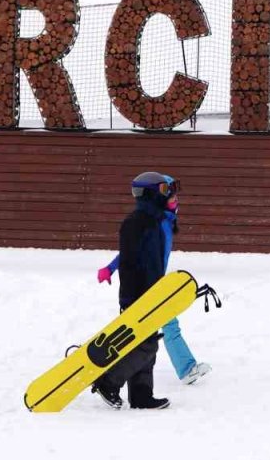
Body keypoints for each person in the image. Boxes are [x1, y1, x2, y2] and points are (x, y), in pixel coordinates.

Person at [97, 178, 211, 388]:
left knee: (164, 327)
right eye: (172, 197)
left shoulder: (164, 220)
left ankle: (182, 369)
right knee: (158, 330)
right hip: (148, 287)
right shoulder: (154, 222)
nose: (176, 201)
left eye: (177, 197)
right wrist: (111, 268)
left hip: (157, 284)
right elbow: (131, 251)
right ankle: (184, 369)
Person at [91, 172, 182, 410]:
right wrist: (137, 295)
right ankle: (108, 382)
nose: (169, 196)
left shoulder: (157, 220)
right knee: (146, 343)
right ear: (150, 193)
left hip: (154, 290)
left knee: (145, 343)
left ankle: (141, 394)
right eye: (164, 190)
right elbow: (131, 260)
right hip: (140, 293)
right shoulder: (137, 223)